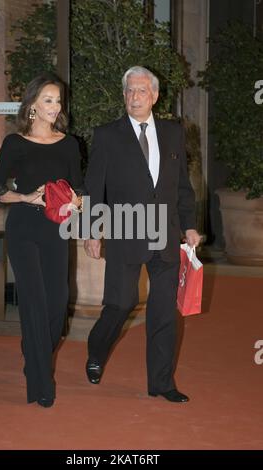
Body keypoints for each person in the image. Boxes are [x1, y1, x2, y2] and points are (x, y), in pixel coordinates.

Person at [84, 66, 201, 403]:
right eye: (129, 91)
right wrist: (92, 231)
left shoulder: (173, 133)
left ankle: (162, 383)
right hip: (125, 229)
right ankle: (96, 350)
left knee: (164, 312)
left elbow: (182, 186)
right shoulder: (107, 135)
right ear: (124, 96)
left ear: (154, 96)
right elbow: (95, 188)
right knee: (120, 303)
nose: (134, 97)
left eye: (141, 91)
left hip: (165, 233)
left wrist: (189, 224)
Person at [0, 73, 83, 407]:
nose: (55, 107)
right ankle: (41, 382)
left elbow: (80, 190)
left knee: (58, 303)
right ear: (32, 105)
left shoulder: (70, 144)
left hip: (57, 230)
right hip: (25, 229)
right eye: (48, 100)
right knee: (33, 301)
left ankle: (34, 352)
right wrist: (27, 197)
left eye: (58, 101)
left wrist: (75, 201)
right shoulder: (15, 143)